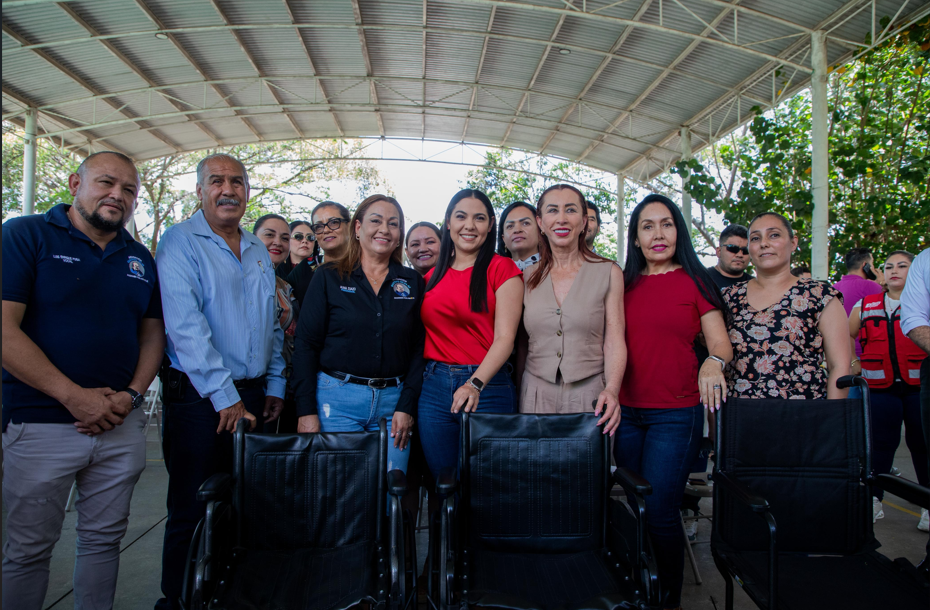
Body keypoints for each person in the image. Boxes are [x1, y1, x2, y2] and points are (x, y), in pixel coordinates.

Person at [2, 151, 165, 610]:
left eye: (129, 189)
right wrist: (74, 397)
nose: (118, 195)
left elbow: (152, 333)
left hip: (119, 423)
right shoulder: (25, 234)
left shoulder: (139, 257)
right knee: (29, 549)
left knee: (103, 542)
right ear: (76, 184)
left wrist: (132, 396)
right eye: (106, 183)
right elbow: (4, 330)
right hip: (41, 422)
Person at [154, 153, 286, 610]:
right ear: (199, 191)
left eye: (237, 181)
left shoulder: (257, 249)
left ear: (247, 190)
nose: (228, 190)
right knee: (193, 507)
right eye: (216, 181)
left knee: (243, 504)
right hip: (201, 398)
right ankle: (178, 601)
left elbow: (270, 324)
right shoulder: (179, 241)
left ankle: (226, 597)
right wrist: (225, 397)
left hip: (253, 394)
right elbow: (184, 328)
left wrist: (275, 385)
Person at [616, 194, 731, 610]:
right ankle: (637, 587)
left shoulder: (695, 282)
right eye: (647, 226)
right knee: (635, 505)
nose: (658, 234)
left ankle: (667, 600)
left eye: (666, 224)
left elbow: (720, 344)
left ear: (678, 231)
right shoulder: (620, 284)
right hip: (624, 413)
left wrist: (713, 363)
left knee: (660, 507)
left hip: (675, 414)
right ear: (635, 238)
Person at [292, 194, 422, 475]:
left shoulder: (412, 282)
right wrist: (305, 410)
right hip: (337, 403)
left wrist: (407, 406)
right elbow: (306, 345)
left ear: (399, 235)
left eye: (393, 223)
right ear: (358, 228)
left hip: (394, 405)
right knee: (343, 493)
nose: (384, 229)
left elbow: (417, 350)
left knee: (392, 491)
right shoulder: (328, 276)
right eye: (376, 221)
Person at [418, 189, 524, 479]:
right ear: (448, 222)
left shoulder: (502, 268)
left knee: (489, 486)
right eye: (461, 217)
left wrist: (474, 384)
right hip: (434, 387)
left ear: (490, 225)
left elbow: (505, 338)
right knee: (444, 483)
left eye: (479, 218)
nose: (469, 225)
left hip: (487, 385)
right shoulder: (430, 278)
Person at [519, 184, 624, 435]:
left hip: (591, 394)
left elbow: (614, 340)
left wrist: (612, 390)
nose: (562, 218)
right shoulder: (525, 276)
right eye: (552, 210)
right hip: (535, 394)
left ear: (584, 221)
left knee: (588, 461)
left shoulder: (609, 272)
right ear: (540, 222)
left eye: (571, 210)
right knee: (534, 459)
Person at [723, 212, 850, 400]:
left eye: (774, 235)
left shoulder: (820, 295)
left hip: (805, 412)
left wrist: (833, 415)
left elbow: (840, 366)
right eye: (756, 238)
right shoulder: (728, 297)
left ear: (793, 242)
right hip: (738, 412)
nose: (764, 243)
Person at [849, 251, 929, 528]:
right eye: (889, 266)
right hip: (879, 387)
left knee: (923, 445)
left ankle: (927, 505)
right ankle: (874, 500)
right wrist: (853, 361)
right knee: (880, 445)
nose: (894, 270)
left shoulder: (923, 302)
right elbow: (847, 333)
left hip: (918, 386)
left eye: (902, 265)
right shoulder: (865, 304)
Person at [254, 214, 301, 433]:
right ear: (252, 239)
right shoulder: (238, 278)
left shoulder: (285, 286)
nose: (277, 243)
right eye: (269, 235)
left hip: (281, 383)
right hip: (249, 383)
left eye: (284, 238)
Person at [287, 201, 349, 308]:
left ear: (351, 225)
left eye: (334, 222)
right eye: (318, 226)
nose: (326, 230)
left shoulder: (367, 265)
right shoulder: (306, 266)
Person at [834, 247, 885, 358]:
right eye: (872, 264)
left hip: (838, 352)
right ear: (865, 265)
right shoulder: (871, 287)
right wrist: (882, 284)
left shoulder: (833, 288)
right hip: (864, 352)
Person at [498, 201, 541, 270]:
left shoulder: (554, 267)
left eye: (525, 223)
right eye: (510, 226)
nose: (517, 230)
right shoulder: (496, 272)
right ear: (503, 239)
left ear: (540, 231)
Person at [707, 224, 752, 289]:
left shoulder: (757, 286)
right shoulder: (701, 280)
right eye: (733, 248)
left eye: (745, 250)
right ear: (719, 251)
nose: (739, 255)